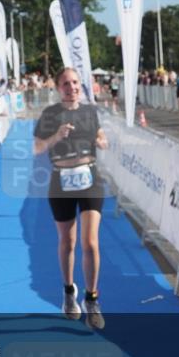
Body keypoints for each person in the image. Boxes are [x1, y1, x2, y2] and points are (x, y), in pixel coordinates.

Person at [33, 68, 109, 329]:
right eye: (66, 83)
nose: (72, 87)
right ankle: (68, 292)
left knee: (90, 242)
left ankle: (92, 299)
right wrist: (56, 136)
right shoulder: (50, 114)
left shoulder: (89, 111)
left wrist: (102, 141)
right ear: (58, 87)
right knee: (68, 241)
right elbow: (36, 147)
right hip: (61, 181)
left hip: (89, 179)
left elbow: (100, 136)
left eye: (75, 82)